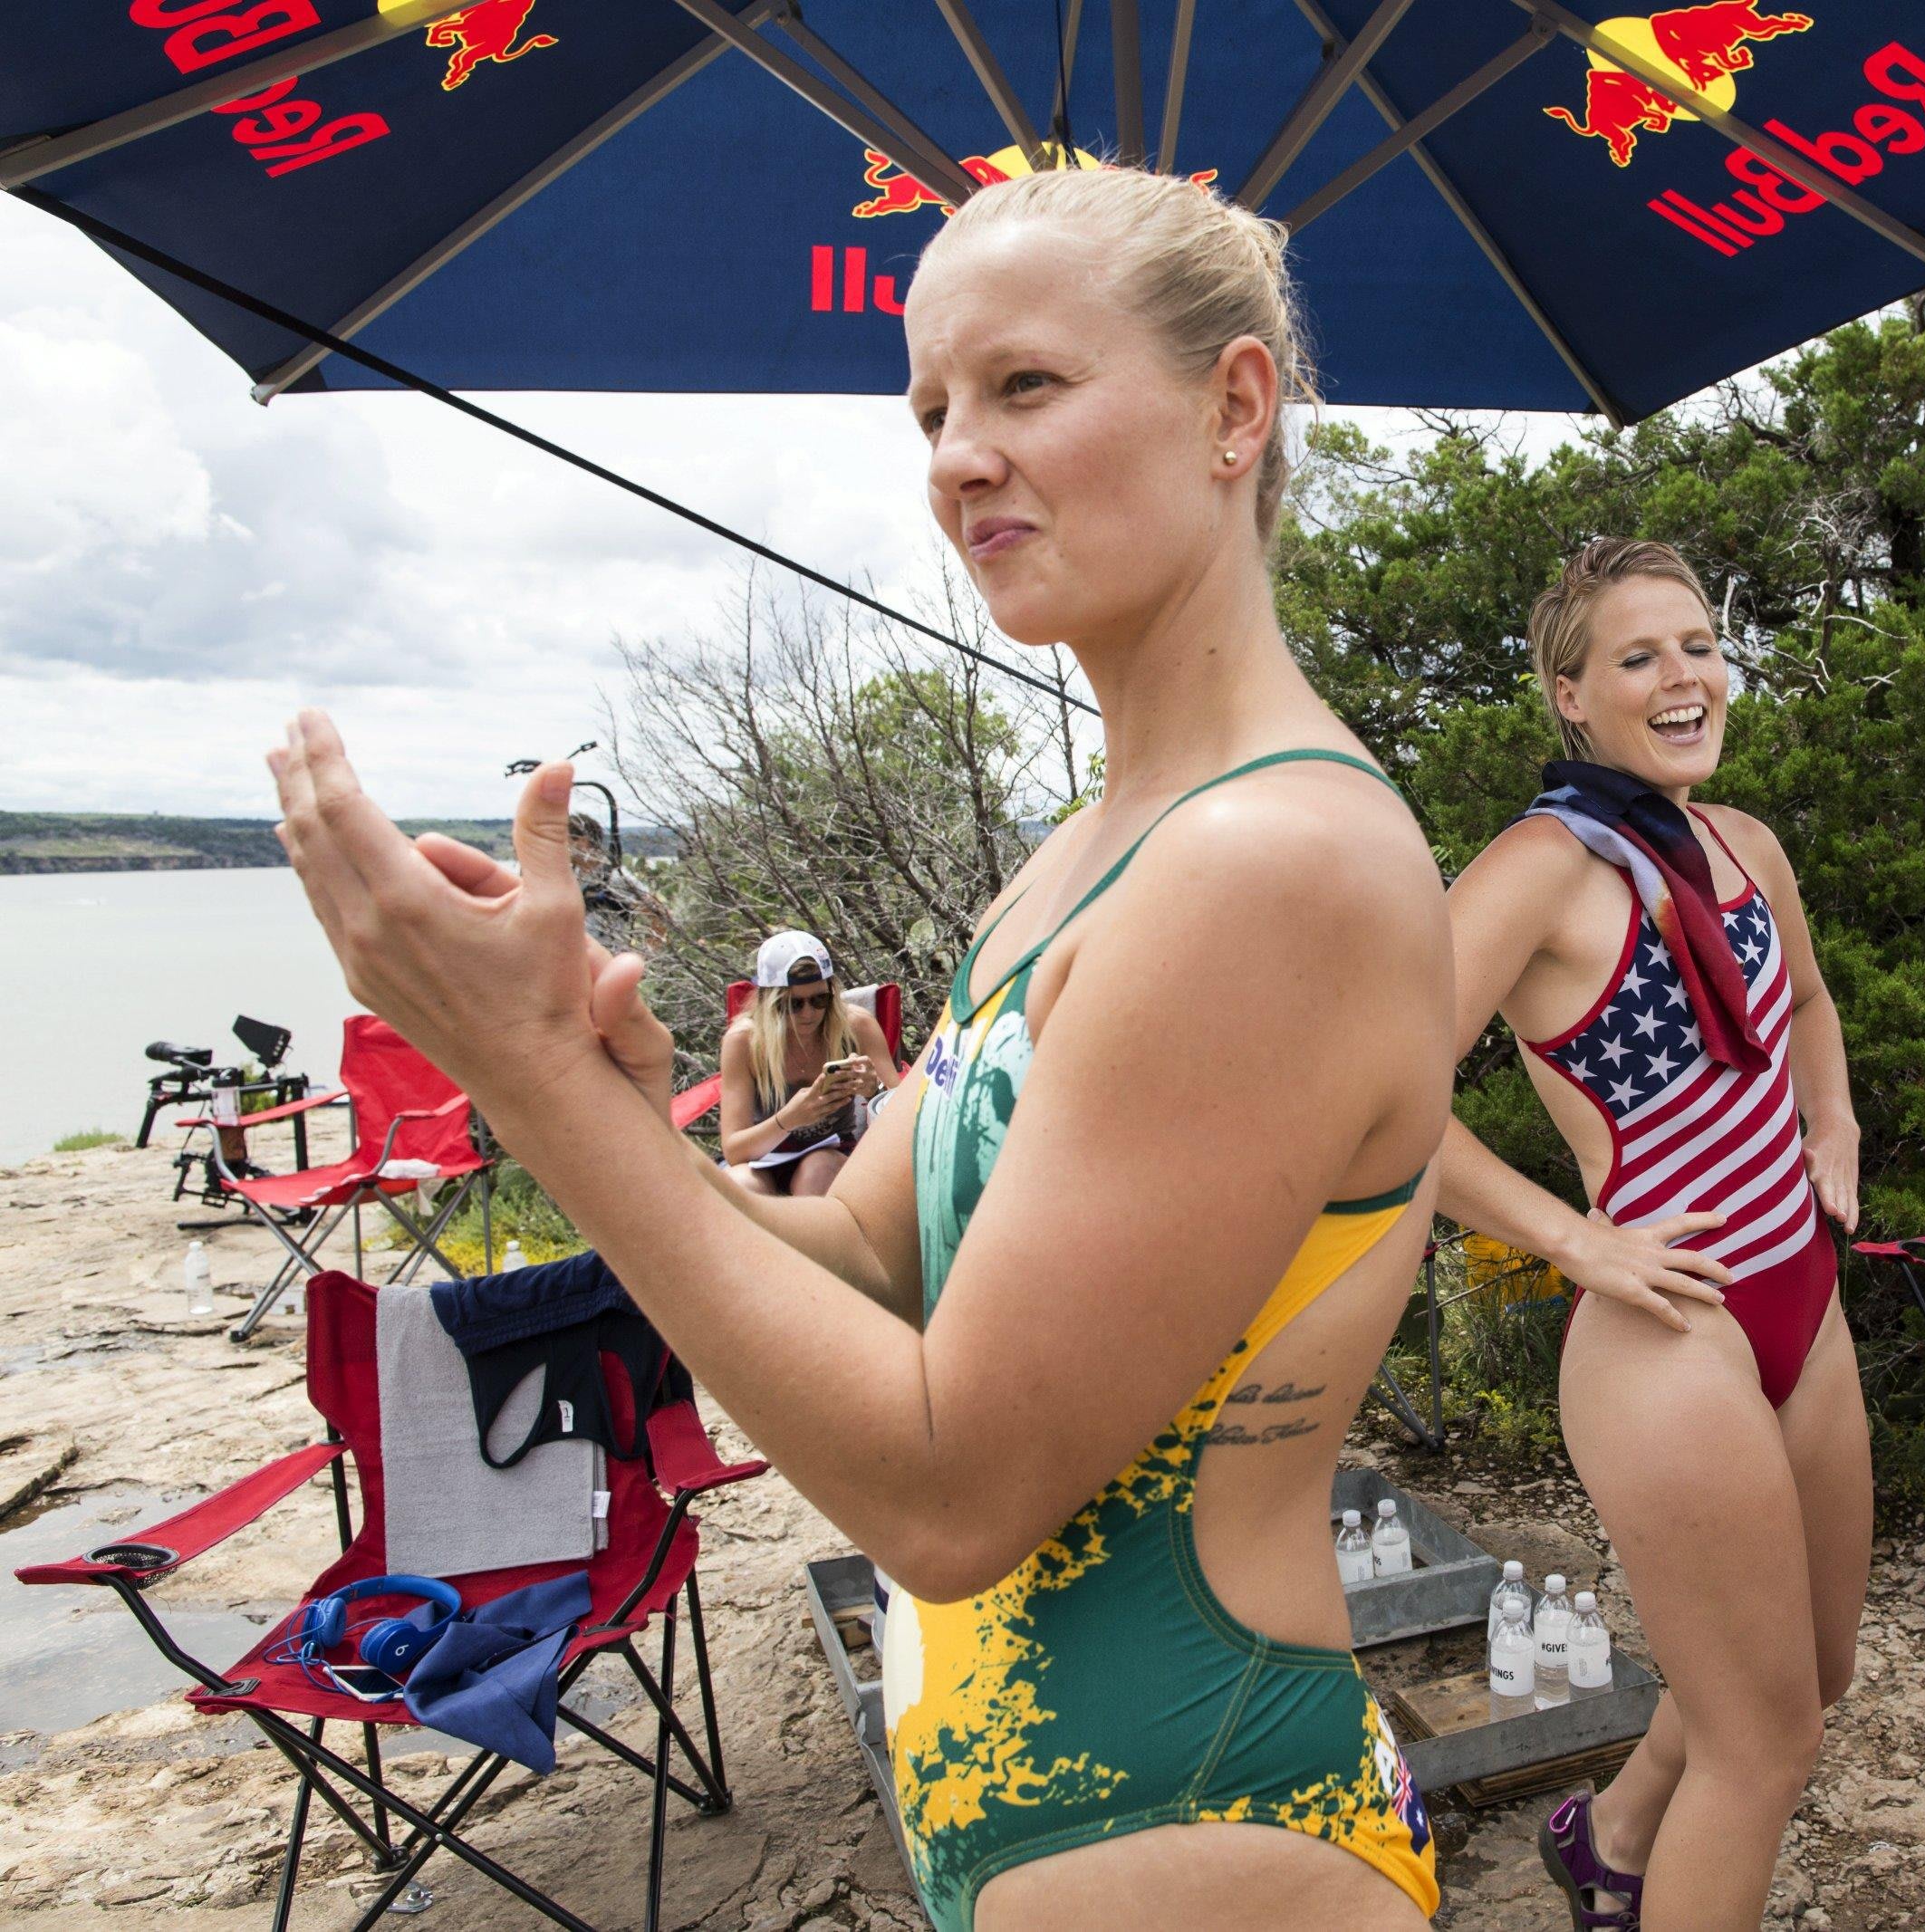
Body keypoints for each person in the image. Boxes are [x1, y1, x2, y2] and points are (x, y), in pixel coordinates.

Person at [267, 166, 1452, 1932]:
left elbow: (953, 1492)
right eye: (931, 410)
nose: (957, 456)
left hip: (1196, 1817)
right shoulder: (1079, 858)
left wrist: (528, 1087)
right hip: (1052, 1822)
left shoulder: (1266, 866)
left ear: (1233, 407)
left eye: (1025, 384)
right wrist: (613, 1108)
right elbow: (858, 1249)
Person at [1438, 538, 1866, 1932]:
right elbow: (1367, 1097)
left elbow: (1809, 1002)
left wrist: (1834, 1126)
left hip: (1802, 1295)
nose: (1685, 677)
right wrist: (1575, 1242)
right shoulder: (1537, 867)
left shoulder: (1744, 843)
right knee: (1765, 1746)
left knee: (1815, 1677)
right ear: (1571, 694)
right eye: (1639, 656)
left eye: (1699, 646)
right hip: (1671, 1333)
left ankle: (1611, 1834)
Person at [717, 929, 894, 1198]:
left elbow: (901, 1118)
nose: (809, 1013)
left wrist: (875, 1090)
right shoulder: (744, 1041)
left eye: (819, 999)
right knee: (739, 1185)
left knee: (816, 1171)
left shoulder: (855, 1027)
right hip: (761, 1158)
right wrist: (789, 1118)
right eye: (794, 1004)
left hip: (829, 1154)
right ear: (769, 1001)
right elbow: (734, 1151)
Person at [570, 811, 669, 954]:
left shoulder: (615, 877)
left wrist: (644, 954)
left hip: (608, 960)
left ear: (582, 841)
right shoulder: (571, 876)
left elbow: (660, 915)